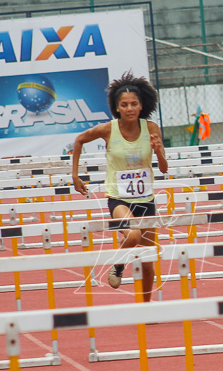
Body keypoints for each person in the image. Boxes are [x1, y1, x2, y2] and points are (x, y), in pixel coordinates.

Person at [71, 72, 167, 300]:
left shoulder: (151, 128)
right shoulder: (108, 130)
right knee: (132, 235)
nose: (130, 108)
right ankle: (118, 266)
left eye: (134, 104)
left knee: (147, 260)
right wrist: (75, 176)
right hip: (119, 197)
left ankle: (144, 306)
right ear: (117, 107)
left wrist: (159, 151)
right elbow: (79, 140)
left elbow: (163, 168)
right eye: (124, 105)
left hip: (146, 200)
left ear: (142, 105)